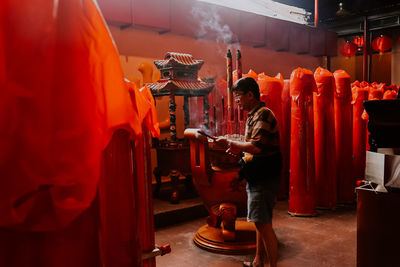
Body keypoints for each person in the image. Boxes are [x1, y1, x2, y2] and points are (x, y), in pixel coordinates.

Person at [215, 77, 282, 267]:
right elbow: (251, 148)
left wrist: (230, 143)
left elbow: (257, 146)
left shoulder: (264, 114)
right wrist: (237, 150)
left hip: (265, 176)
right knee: (260, 222)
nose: (236, 100)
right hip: (258, 174)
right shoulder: (254, 115)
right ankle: (258, 261)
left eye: (238, 96)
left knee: (263, 224)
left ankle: (272, 265)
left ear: (250, 95)